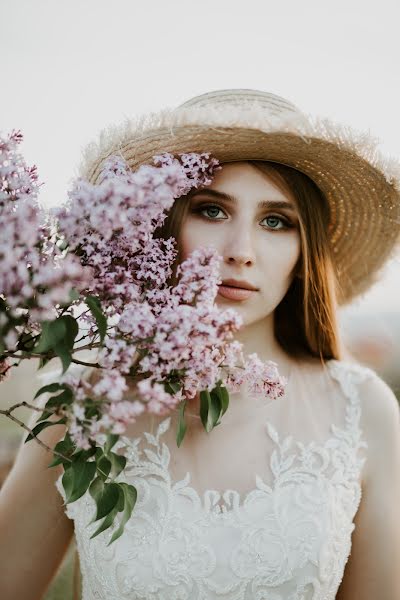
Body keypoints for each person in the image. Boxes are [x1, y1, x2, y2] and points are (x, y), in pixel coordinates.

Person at [0, 88, 399, 600]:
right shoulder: (86, 404)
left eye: (276, 221)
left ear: (305, 251)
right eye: (211, 211)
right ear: (160, 227)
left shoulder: (360, 409)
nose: (240, 252)